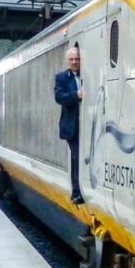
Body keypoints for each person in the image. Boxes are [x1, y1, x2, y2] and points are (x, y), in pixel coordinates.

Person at [54, 47, 84, 204]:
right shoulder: (61, 77)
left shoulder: (87, 74)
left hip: (86, 126)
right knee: (77, 155)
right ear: (68, 61)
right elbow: (59, 97)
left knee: (80, 157)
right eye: (72, 59)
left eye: (77, 59)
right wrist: (76, 95)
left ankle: (81, 189)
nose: (75, 62)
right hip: (71, 126)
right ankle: (77, 191)